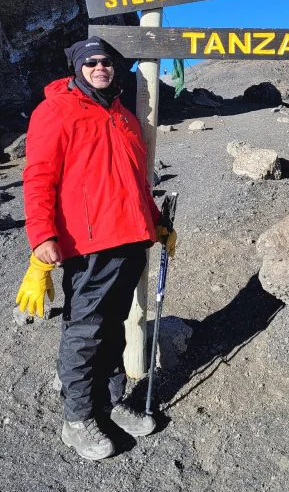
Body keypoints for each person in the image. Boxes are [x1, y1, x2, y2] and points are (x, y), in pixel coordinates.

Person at [16, 36, 177, 460]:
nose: (100, 68)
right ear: (78, 68)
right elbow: (38, 178)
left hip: (130, 238)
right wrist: (42, 237)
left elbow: (133, 180)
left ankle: (109, 400)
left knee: (115, 325)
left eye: (106, 62)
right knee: (85, 330)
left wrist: (154, 221)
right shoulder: (56, 111)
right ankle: (77, 417)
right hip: (88, 243)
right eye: (91, 63)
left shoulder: (123, 115)